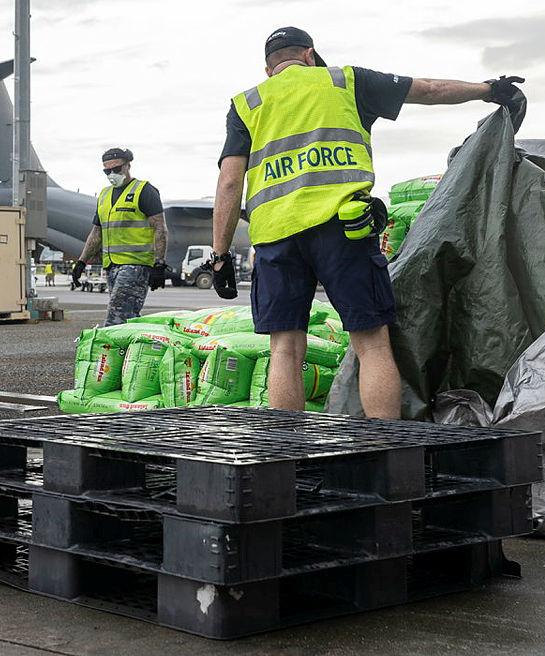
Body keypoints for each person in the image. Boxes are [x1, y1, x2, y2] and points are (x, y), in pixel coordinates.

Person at [210, 26, 524, 419]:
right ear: (309, 54)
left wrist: (220, 255)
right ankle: (383, 456)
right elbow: (426, 89)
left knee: (285, 348)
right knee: (371, 343)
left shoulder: (247, 103)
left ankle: (285, 456)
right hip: (344, 228)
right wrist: (487, 89)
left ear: (269, 67)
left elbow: (229, 181)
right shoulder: (346, 81)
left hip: (276, 238)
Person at [72, 148, 168, 325]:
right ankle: (132, 350)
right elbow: (97, 232)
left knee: (116, 317)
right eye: (107, 171)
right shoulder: (104, 195)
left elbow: (160, 229)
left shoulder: (144, 191)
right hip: (111, 266)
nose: (112, 174)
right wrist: (81, 262)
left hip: (135, 265)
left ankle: (109, 351)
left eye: (116, 169)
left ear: (128, 165)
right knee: (127, 317)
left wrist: (159, 263)